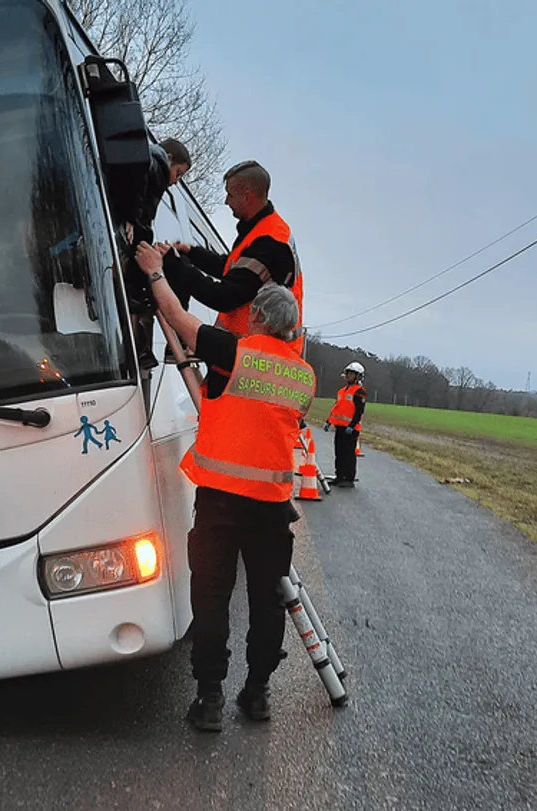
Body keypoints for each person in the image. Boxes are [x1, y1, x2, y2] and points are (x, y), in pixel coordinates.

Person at [137, 241, 315, 732]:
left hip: (219, 504)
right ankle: (257, 695)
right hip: (272, 509)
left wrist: (155, 271)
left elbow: (174, 315)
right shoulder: (304, 376)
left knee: (211, 597)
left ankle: (209, 699)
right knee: (266, 600)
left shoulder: (232, 350)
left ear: (256, 317)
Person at [161, 159, 304, 387]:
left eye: (230, 194)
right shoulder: (262, 230)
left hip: (257, 360)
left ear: (247, 196)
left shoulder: (269, 243)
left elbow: (225, 296)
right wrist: (193, 253)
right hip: (251, 353)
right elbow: (231, 269)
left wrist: (176, 267)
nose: (226, 201)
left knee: (224, 419)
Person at [121, 139, 192, 370]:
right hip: (134, 246)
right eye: (178, 173)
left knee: (141, 298)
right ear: (169, 157)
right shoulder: (156, 162)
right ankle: (175, 340)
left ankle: (142, 352)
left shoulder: (153, 167)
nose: (175, 181)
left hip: (137, 244)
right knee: (155, 290)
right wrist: (129, 216)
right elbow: (135, 180)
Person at [324, 361, 367, 488]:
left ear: (358, 376)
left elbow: (359, 411)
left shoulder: (360, 391)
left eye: (351, 373)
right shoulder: (342, 391)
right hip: (340, 427)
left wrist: (352, 426)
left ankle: (349, 478)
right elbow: (337, 408)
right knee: (339, 453)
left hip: (351, 429)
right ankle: (339, 476)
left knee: (349, 454)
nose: (348, 375)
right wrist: (329, 421)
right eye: (348, 373)